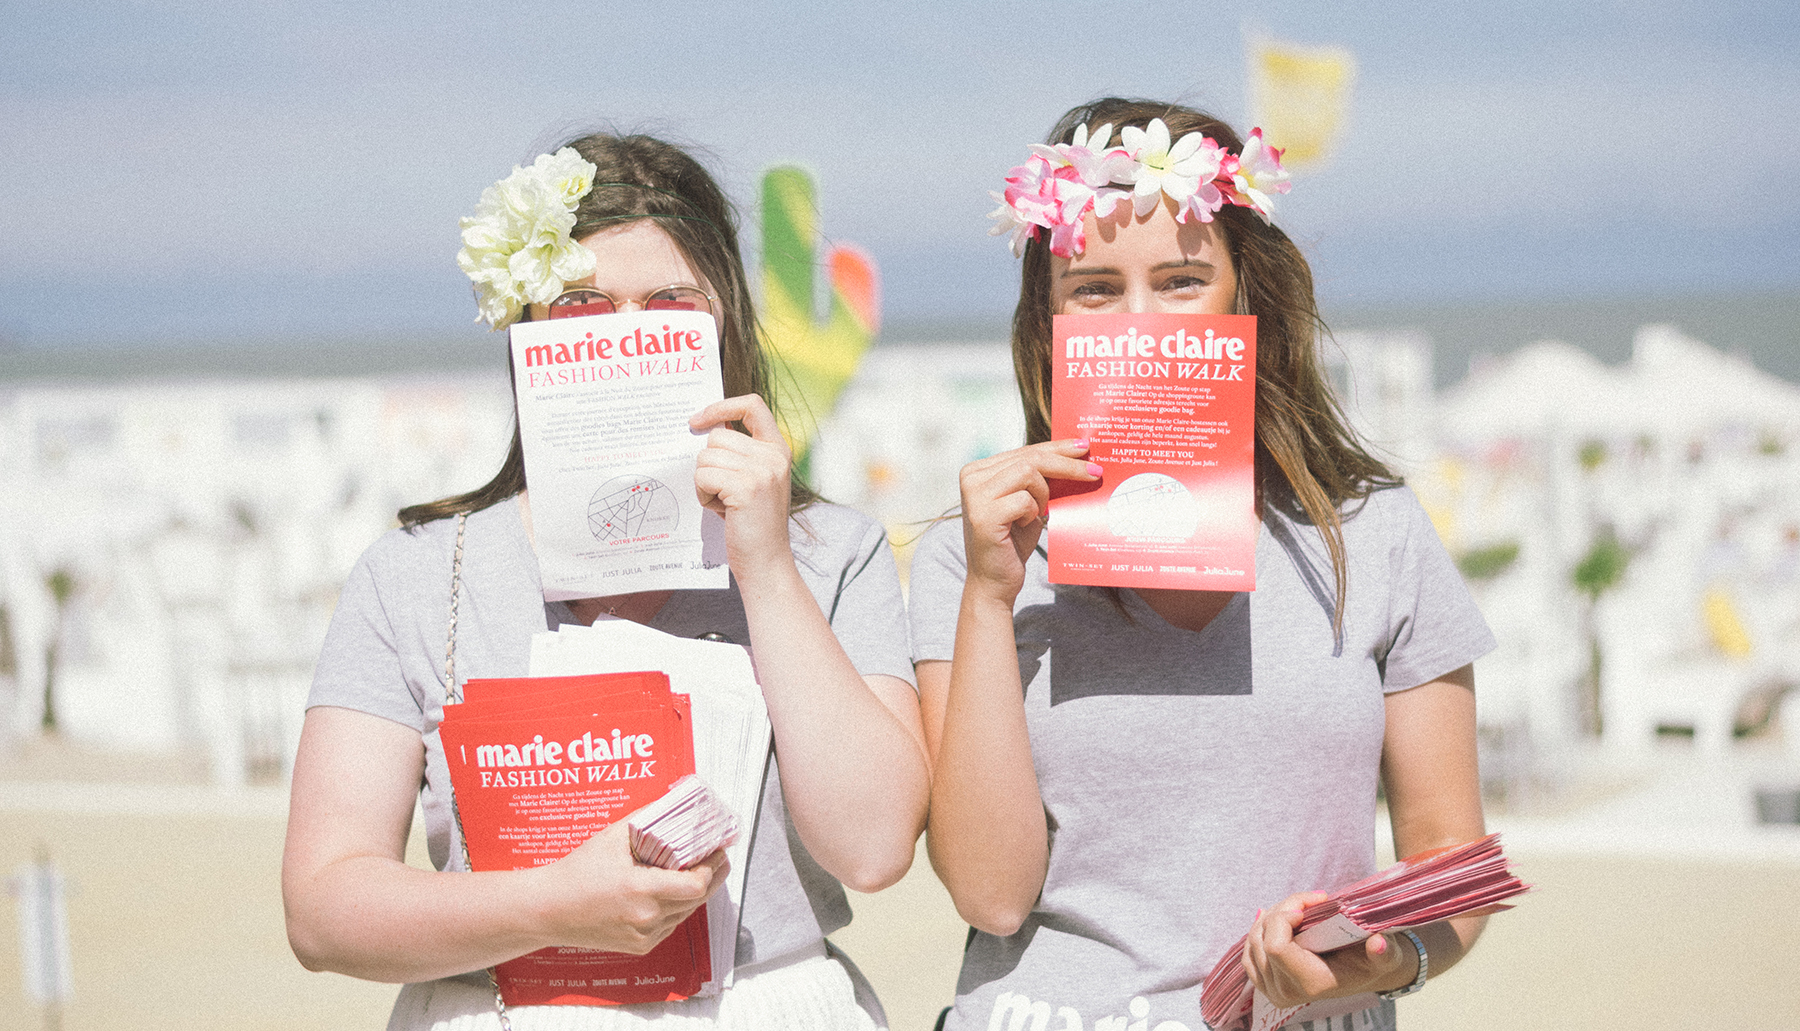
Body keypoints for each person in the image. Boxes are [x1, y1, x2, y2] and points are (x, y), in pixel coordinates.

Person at [282, 131, 929, 1030]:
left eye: (668, 305)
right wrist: (553, 906)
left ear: (725, 325)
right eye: (582, 305)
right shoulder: (418, 575)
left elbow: (873, 848)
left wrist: (768, 567)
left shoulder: (829, 553)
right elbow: (322, 911)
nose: (626, 339)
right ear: (526, 331)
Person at [911, 98, 1496, 1031]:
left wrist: (1374, 964)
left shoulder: (1371, 532)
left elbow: (1450, 868)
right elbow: (990, 896)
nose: (1140, 322)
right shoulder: (970, 556)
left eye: (1180, 281)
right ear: (1048, 321)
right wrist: (990, 594)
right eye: (1096, 288)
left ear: (1243, 298)